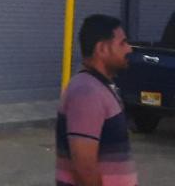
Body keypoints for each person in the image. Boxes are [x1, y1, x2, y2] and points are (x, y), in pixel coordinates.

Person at [56, 14, 137, 186]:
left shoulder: (99, 87)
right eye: (122, 43)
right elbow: (84, 166)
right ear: (102, 49)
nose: (129, 49)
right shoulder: (87, 92)